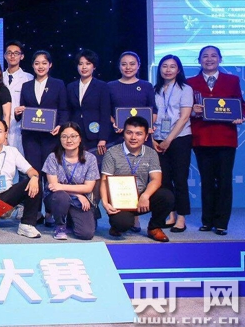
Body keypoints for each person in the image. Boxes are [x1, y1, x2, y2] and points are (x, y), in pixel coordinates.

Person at [187, 45, 245, 236]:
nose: (209, 59)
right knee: (206, 180)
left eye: (213, 56)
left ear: (220, 59)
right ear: (199, 60)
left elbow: (240, 105)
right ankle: (207, 220)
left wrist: (240, 116)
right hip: (202, 138)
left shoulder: (232, 80)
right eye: (205, 56)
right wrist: (192, 111)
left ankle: (221, 223)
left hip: (225, 138)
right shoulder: (190, 82)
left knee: (224, 181)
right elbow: (184, 109)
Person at [100, 116, 174, 242]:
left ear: (146, 137)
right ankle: (117, 226)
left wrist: (145, 196)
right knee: (122, 224)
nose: (133, 137)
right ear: (123, 134)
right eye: (129, 133)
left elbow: (156, 179)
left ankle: (154, 228)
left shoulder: (151, 153)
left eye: (139, 134)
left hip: (142, 198)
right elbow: (104, 180)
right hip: (120, 200)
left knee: (167, 196)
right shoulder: (112, 153)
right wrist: (105, 203)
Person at [153, 54, 193, 233]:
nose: (168, 70)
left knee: (180, 178)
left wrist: (169, 139)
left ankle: (181, 217)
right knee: (164, 179)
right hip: (158, 138)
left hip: (179, 138)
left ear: (178, 70)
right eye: (164, 66)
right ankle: (170, 214)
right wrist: (153, 139)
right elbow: (150, 115)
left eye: (172, 66)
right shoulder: (155, 89)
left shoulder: (185, 89)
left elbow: (184, 117)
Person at [14, 50, 68, 177]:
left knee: (51, 172)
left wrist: (60, 126)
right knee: (34, 172)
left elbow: (64, 109)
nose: (40, 66)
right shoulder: (26, 86)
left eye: (44, 63)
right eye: (37, 63)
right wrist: (17, 112)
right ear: (33, 65)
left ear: (50, 65)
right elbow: (23, 111)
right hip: (30, 138)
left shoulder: (58, 84)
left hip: (51, 136)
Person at [42, 122, 99, 240]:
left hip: (80, 201)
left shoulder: (90, 159)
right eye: (64, 136)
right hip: (56, 198)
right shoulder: (52, 157)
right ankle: (60, 226)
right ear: (60, 139)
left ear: (80, 138)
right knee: (60, 196)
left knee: (86, 233)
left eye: (73, 136)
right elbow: (53, 187)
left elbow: (88, 188)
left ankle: (70, 219)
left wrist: (64, 188)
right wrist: (77, 194)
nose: (69, 140)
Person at [66, 49, 111, 159]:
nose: (84, 67)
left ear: (94, 66)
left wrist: (103, 138)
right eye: (80, 64)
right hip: (75, 133)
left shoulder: (102, 86)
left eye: (88, 63)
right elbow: (68, 111)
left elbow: (105, 113)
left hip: (94, 134)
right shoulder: (71, 87)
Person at [108, 51, 156, 144]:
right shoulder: (110, 86)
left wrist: (148, 125)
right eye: (124, 64)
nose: (128, 67)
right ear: (119, 66)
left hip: (141, 136)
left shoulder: (147, 86)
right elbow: (106, 111)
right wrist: (115, 123)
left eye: (132, 64)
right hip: (118, 136)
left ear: (138, 66)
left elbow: (153, 111)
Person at [2, 41, 33, 153]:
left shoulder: (29, 78)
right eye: (9, 53)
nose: (12, 56)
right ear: (5, 56)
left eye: (16, 53)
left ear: (22, 56)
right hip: (1, 125)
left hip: (20, 126)